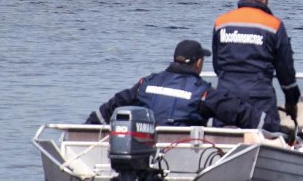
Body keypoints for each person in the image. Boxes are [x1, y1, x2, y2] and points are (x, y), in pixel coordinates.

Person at [86, 39, 259, 127]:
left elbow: (113, 105)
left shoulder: (146, 84)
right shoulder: (203, 93)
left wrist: (87, 127)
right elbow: (240, 113)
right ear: (199, 63)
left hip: (148, 151)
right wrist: (275, 128)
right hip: (185, 155)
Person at [212, 0, 300, 133]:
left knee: (223, 139)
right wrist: (291, 101)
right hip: (259, 100)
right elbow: (285, 72)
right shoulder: (274, 25)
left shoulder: (221, 22)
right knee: (268, 137)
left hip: (225, 97)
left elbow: (217, 66)